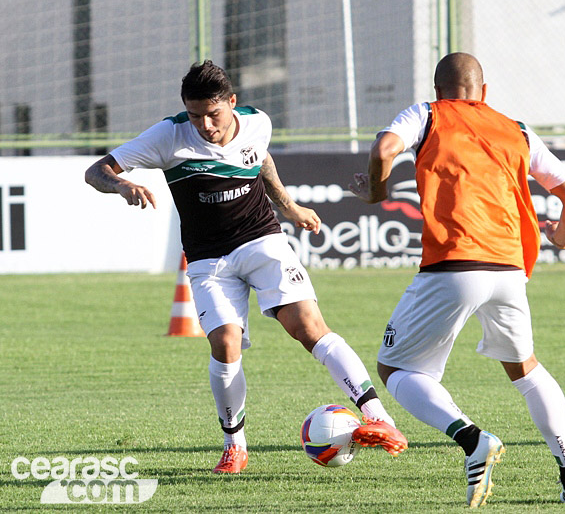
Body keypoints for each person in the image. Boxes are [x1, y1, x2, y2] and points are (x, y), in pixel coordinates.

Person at [85, 60, 407, 474]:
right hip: (208, 258)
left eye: (213, 114)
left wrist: (289, 207)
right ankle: (234, 444)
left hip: (262, 240)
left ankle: (379, 417)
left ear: (232, 103)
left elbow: (261, 159)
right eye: (195, 114)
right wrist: (122, 184)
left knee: (308, 326)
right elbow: (97, 171)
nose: (204, 124)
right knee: (225, 343)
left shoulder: (257, 122)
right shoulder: (168, 134)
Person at [350, 52, 565, 506]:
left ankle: (472, 439)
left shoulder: (426, 114)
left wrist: (376, 193)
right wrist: (560, 237)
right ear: (483, 93)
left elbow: (383, 150)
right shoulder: (516, 128)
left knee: (395, 368)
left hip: (454, 262)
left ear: (438, 90)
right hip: (509, 268)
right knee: (526, 370)